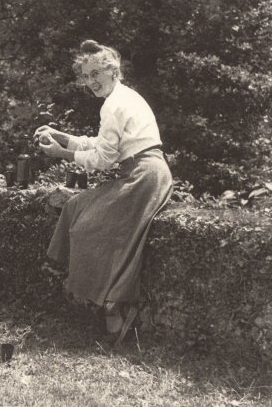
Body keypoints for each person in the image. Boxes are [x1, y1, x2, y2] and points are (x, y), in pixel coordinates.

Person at [34, 40, 172, 344]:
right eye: (86, 76)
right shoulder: (121, 98)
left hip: (144, 176)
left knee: (89, 228)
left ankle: (111, 310)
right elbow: (101, 145)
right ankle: (58, 268)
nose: (91, 81)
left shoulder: (115, 103)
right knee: (77, 204)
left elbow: (104, 160)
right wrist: (64, 137)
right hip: (140, 173)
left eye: (96, 73)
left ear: (114, 70)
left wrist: (62, 153)